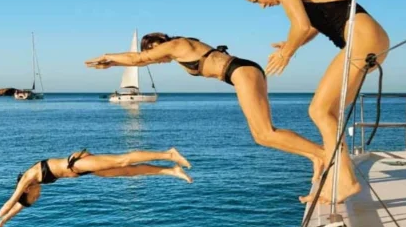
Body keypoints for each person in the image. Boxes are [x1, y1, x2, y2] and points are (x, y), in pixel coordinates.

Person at [240, 0, 390, 203]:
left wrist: (287, 53)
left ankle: (346, 182)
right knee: (327, 112)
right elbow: (311, 27)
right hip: (370, 38)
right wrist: (290, 44)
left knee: (319, 111)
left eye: (257, 0)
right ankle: (337, 179)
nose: (264, 5)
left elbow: (300, 26)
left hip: (362, 39)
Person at [86, 33, 325, 188]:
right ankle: (315, 156)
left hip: (241, 72)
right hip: (242, 74)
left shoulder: (176, 45)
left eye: (155, 55)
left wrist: (108, 56)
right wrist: (115, 63)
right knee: (262, 136)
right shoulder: (178, 51)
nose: (157, 61)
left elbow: (139, 59)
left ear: (157, 45)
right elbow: (141, 59)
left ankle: (325, 154)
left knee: (265, 133)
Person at [0, 148, 192, 227]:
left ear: (27, 189)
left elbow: (11, 201)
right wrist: (4, 223)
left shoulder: (28, 179)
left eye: (35, 196)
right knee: (127, 172)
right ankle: (171, 171)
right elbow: (21, 205)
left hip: (76, 163)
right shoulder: (30, 187)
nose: (37, 197)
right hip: (81, 170)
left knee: (123, 161)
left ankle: (169, 154)